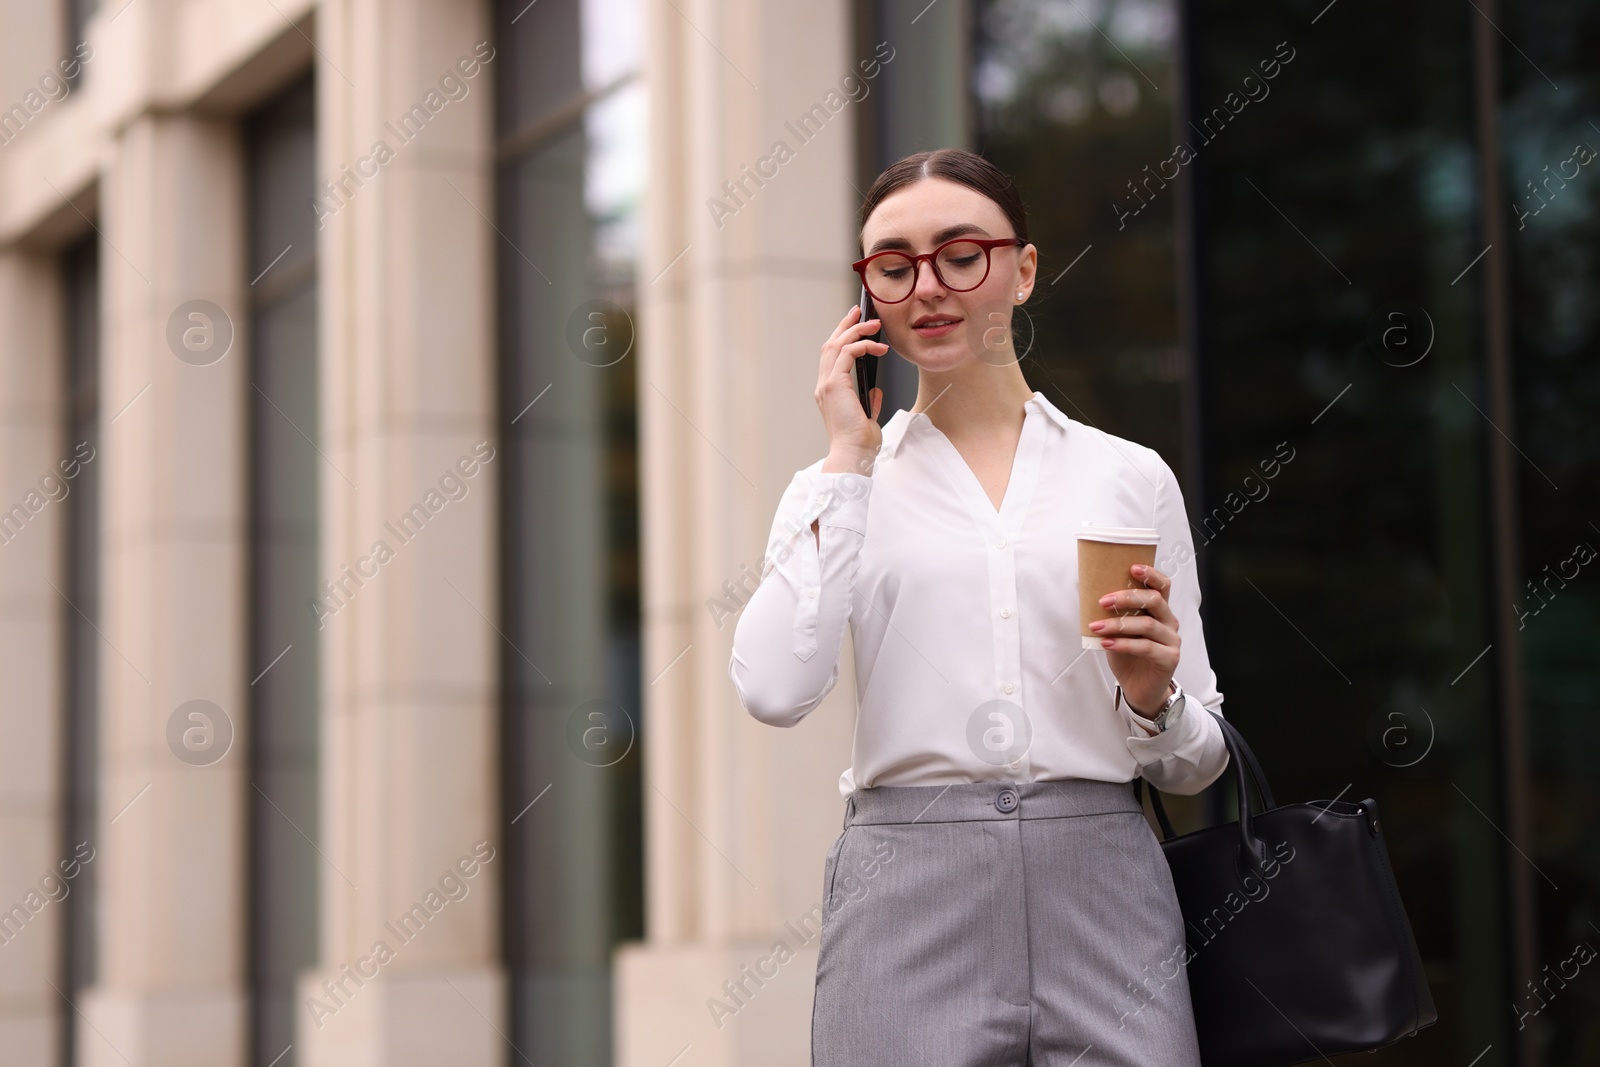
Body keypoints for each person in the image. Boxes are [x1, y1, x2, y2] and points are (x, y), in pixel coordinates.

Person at [727, 147, 1230, 1066]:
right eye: (895, 263)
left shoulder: (1126, 476)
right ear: (868, 289)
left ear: (1023, 269)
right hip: (906, 893)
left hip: (1105, 884)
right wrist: (848, 457)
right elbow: (772, 687)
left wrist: (1152, 696)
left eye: (962, 253)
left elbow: (1197, 765)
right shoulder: (835, 488)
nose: (930, 285)